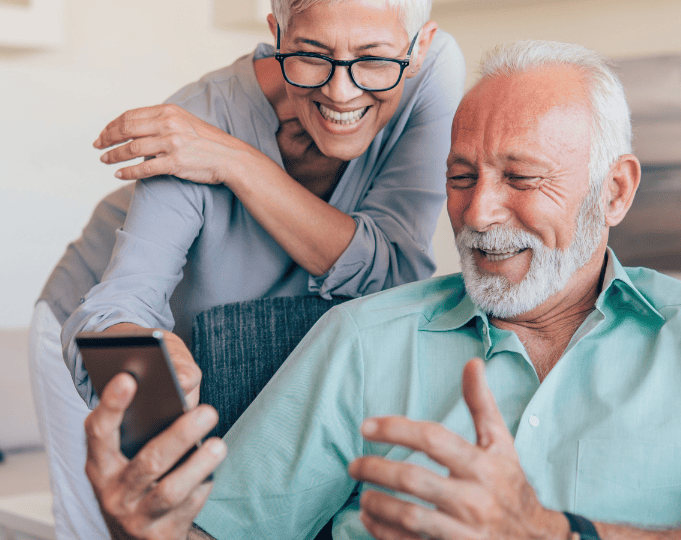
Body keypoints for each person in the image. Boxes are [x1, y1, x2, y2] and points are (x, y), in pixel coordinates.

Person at [82, 40, 681, 540]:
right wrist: (141, 527)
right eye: (460, 177)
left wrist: (552, 533)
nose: (478, 212)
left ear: (616, 190)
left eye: (522, 178)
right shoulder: (361, 338)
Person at [30, 0, 464, 538]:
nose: (342, 91)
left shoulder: (431, 70)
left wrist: (235, 163)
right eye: (310, 54)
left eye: (373, 59)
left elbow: (395, 274)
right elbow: (116, 304)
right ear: (277, 33)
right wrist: (138, 352)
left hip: (254, 329)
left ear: (418, 46)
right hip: (97, 328)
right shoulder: (197, 121)